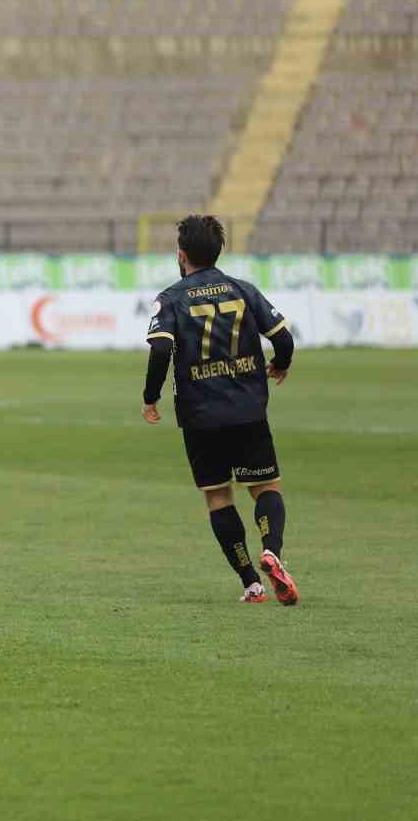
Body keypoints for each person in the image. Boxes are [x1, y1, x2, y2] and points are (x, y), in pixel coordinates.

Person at [142, 214, 299, 605]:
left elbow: (161, 347)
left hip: (199, 415)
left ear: (181, 255)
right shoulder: (243, 290)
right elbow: (283, 338)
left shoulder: (172, 297)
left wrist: (150, 396)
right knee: (265, 487)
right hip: (247, 409)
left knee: (218, 497)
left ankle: (251, 583)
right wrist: (280, 364)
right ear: (218, 251)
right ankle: (272, 551)